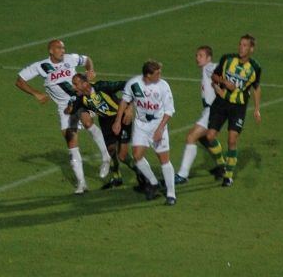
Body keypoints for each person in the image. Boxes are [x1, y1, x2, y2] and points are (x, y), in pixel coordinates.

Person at [16, 40, 111, 194]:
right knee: (71, 140)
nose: (62, 50)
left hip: (80, 98)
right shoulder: (41, 66)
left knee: (87, 122)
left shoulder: (70, 58)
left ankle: (106, 158)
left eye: (63, 47)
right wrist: (36, 94)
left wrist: (90, 70)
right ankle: (82, 183)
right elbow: (20, 81)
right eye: (59, 48)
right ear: (51, 51)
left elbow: (87, 60)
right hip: (64, 107)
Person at [68, 72, 148, 191]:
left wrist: (130, 108)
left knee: (122, 155)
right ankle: (117, 178)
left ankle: (142, 175)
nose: (73, 87)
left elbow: (128, 85)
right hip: (105, 121)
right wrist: (69, 106)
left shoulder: (102, 87)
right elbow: (70, 110)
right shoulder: (80, 98)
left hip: (121, 117)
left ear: (85, 84)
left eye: (75, 84)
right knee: (110, 151)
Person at [114, 60, 177, 206]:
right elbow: (124, 101)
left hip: (158, 124)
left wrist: (160, 128)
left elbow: (169, 111)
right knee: (137, 156)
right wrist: (118, 121)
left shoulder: (163, 86)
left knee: (163, 159)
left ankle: (171, 193)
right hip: (141, 125)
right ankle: (154, 182)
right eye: (157, 73)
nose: (160, 76)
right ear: (148, 75)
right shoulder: (134, 84)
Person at [206, 35, 261, 188]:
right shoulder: (227, 59)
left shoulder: (255, 67)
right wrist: (223, 81)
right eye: (240, 44)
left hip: (238, 107)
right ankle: (221, 163)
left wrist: (257, 109)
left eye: (245, 45)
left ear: (251, 49)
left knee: (232, 140)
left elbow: (256, 87)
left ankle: (228, 176)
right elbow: (214, 75)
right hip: (221, 103)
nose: (241, 48)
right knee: (210, 136)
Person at [174, 46, 226, 183]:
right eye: (196, 55)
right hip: (210, 110)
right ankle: (221, 165)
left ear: (209, 58)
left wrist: (218, 82)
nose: (197, 58)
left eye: (201, 55)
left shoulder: (209, 67)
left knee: (191, 137)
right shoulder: (206, 70)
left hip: (212, 111)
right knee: (205, 138)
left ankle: (182, 174)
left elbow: (220, 67)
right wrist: (216, 82)